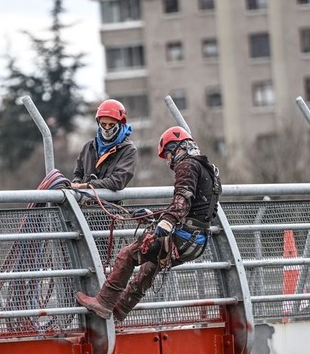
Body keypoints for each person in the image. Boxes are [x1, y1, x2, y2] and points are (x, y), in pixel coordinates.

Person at [75, 126, 221, 322]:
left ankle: (104, 302)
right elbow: (198, 208)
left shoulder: (186, 165)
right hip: (198, 242)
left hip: (182, 238)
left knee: (127, 255)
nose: (168, 161)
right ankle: (121, 309)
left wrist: (167, 222)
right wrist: (154, 216)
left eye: (168, 155)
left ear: (178, 149)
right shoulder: (208, 169)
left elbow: (182, 199)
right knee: (150, 265)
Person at [72, 99, 137, 192]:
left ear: (120, 124)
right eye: (103, 124)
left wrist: (86, 186)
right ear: (98, 123)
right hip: (84, 205)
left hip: (109, 205)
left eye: (111, 124)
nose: (106, 128)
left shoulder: (128, 150)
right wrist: (76, 184)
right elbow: (78, 174)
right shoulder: (88, 147)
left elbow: (117, 182)